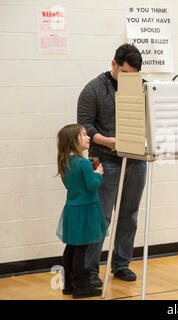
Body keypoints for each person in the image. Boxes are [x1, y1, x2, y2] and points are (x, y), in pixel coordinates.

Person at [77, 43, 147, 287]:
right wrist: (107, 142)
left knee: (129, 215)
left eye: (134, 76)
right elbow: (85, 126)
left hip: (136, 159)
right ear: (114, 64)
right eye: (125, 73)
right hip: (104, 160)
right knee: (101, 216)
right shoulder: (93, 89)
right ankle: (89, 270)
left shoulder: (143, 88)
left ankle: (121, 264)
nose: (130, 79)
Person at [56, 124, 107, 299]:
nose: (88, 138)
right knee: (81, 249)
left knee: (71, 246)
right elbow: (92, 186)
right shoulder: (84, 163)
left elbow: (69, 185)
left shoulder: (64, 162)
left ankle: (68, 285)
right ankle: (82, 287)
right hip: (86, 210)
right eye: (84, 135)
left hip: (71, 209)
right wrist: (98, 173)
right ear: (73, 141)